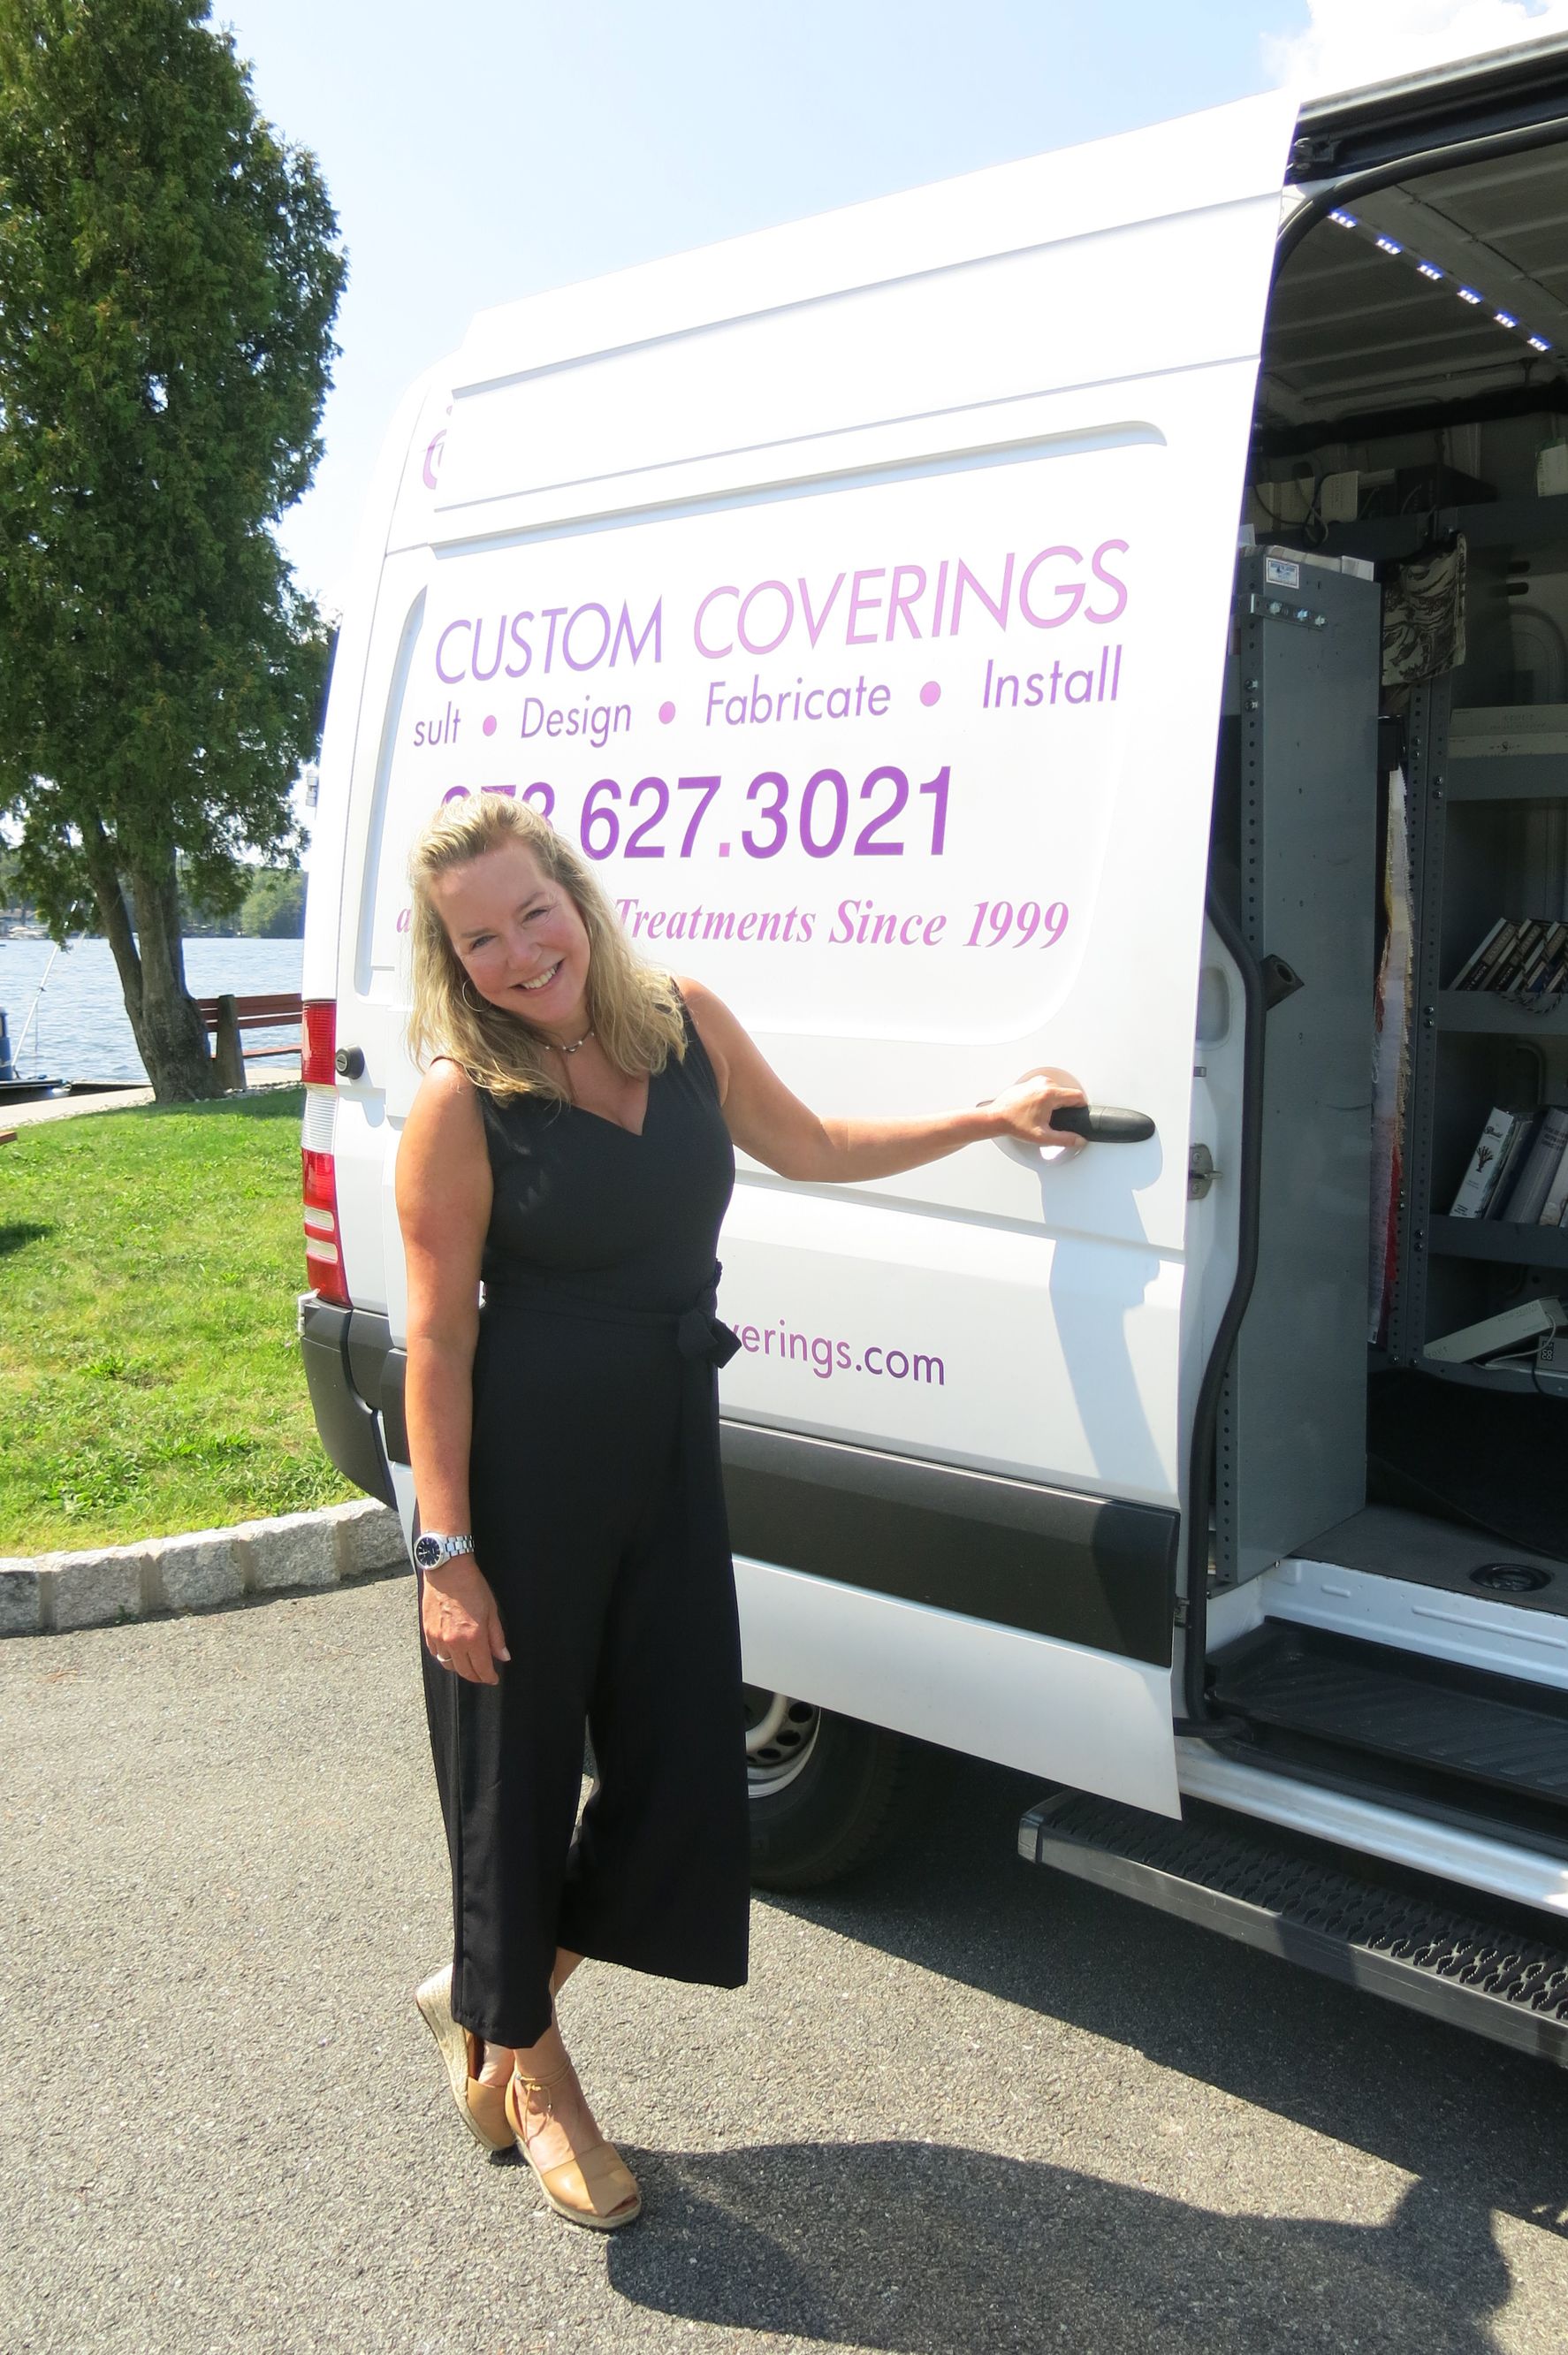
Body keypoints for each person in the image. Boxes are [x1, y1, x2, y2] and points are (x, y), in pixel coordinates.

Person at [397, 791, 1087, 2230]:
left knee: (681, 1780)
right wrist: (444, 1552)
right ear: (451, 962)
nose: (521, 953)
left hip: (664, 1455)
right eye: (481, 940)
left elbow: (816, 1143)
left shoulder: (684, 1024)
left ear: (575, 897)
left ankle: (487, 1978)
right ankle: (534, 2077)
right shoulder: (463, 1102)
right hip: (521, 1487)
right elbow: (437, 1341)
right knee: (514, 1798)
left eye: (533, 912)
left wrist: (981, 1118)